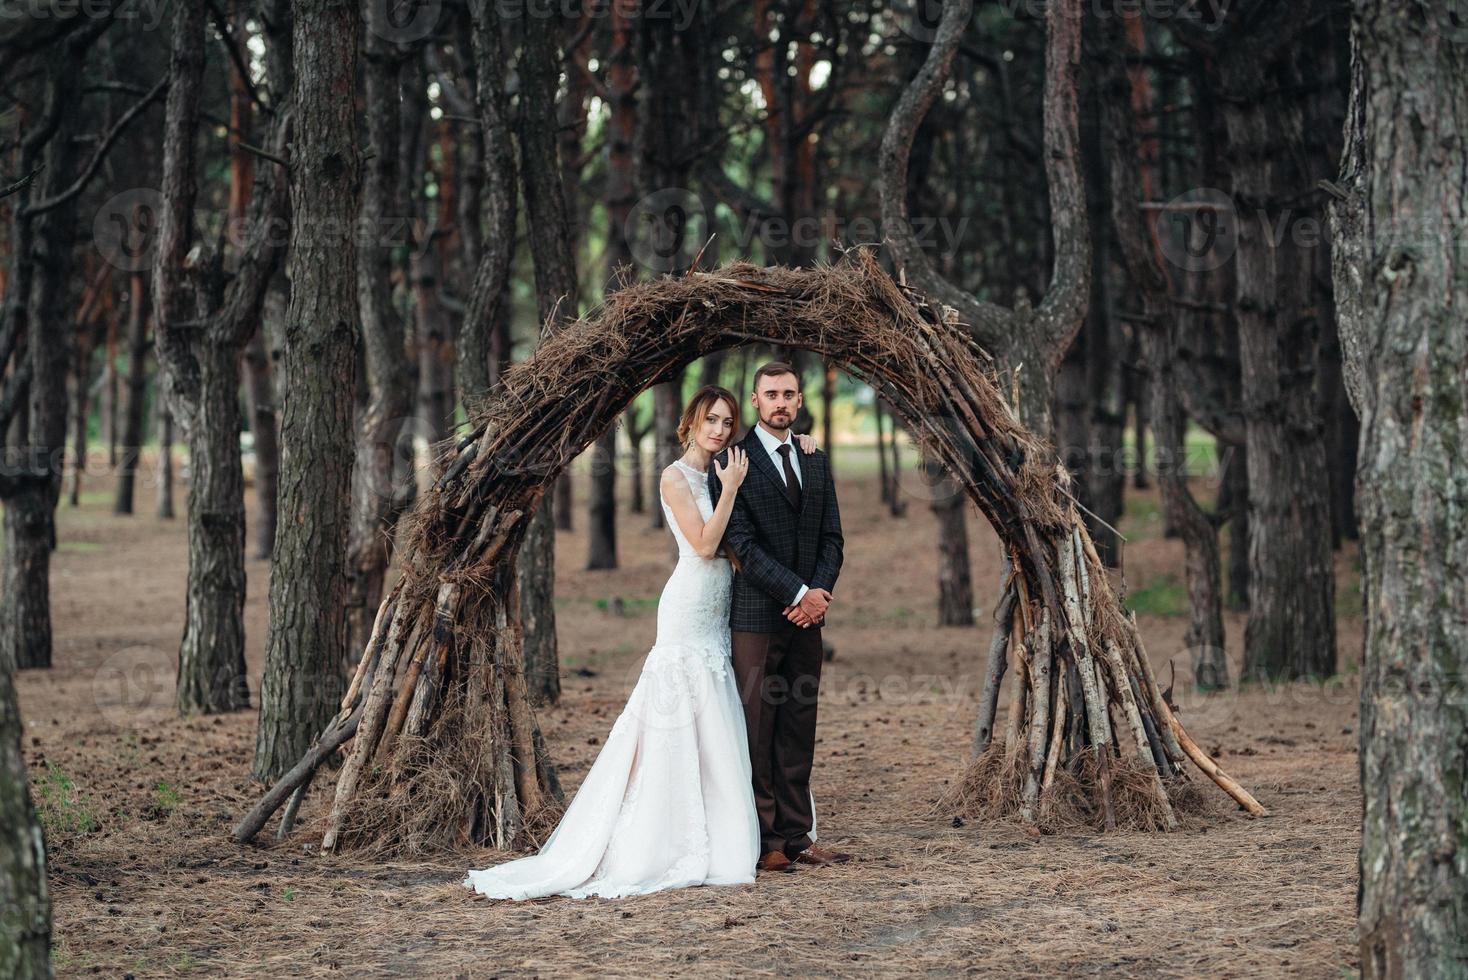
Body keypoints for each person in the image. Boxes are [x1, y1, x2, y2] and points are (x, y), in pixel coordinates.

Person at [462, 385, 819, 900]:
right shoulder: (675, 478)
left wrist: (799, 443)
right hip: (689, 603)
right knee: (675, 711)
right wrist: (734, 489)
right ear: (691, 422)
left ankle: (727, 828)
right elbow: (703, 544)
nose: (719, 430)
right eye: (710, 420)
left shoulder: (725, 469)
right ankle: (660, 829)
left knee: (719, 713)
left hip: (725, 604)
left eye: (726, 422)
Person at [708, 362, 850, 874]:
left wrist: (819, 594)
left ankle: (797, 834)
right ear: (755, 401)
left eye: (789, 393)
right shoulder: (731, 461)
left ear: (799, 398)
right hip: (757, 617)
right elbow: (740, 543)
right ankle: (767, 840)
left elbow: (832, 537)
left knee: (798, 724)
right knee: (759, 725)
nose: (781, 402)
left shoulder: (813, 459)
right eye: (771, 394)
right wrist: (796, 591)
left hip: (809, 619)